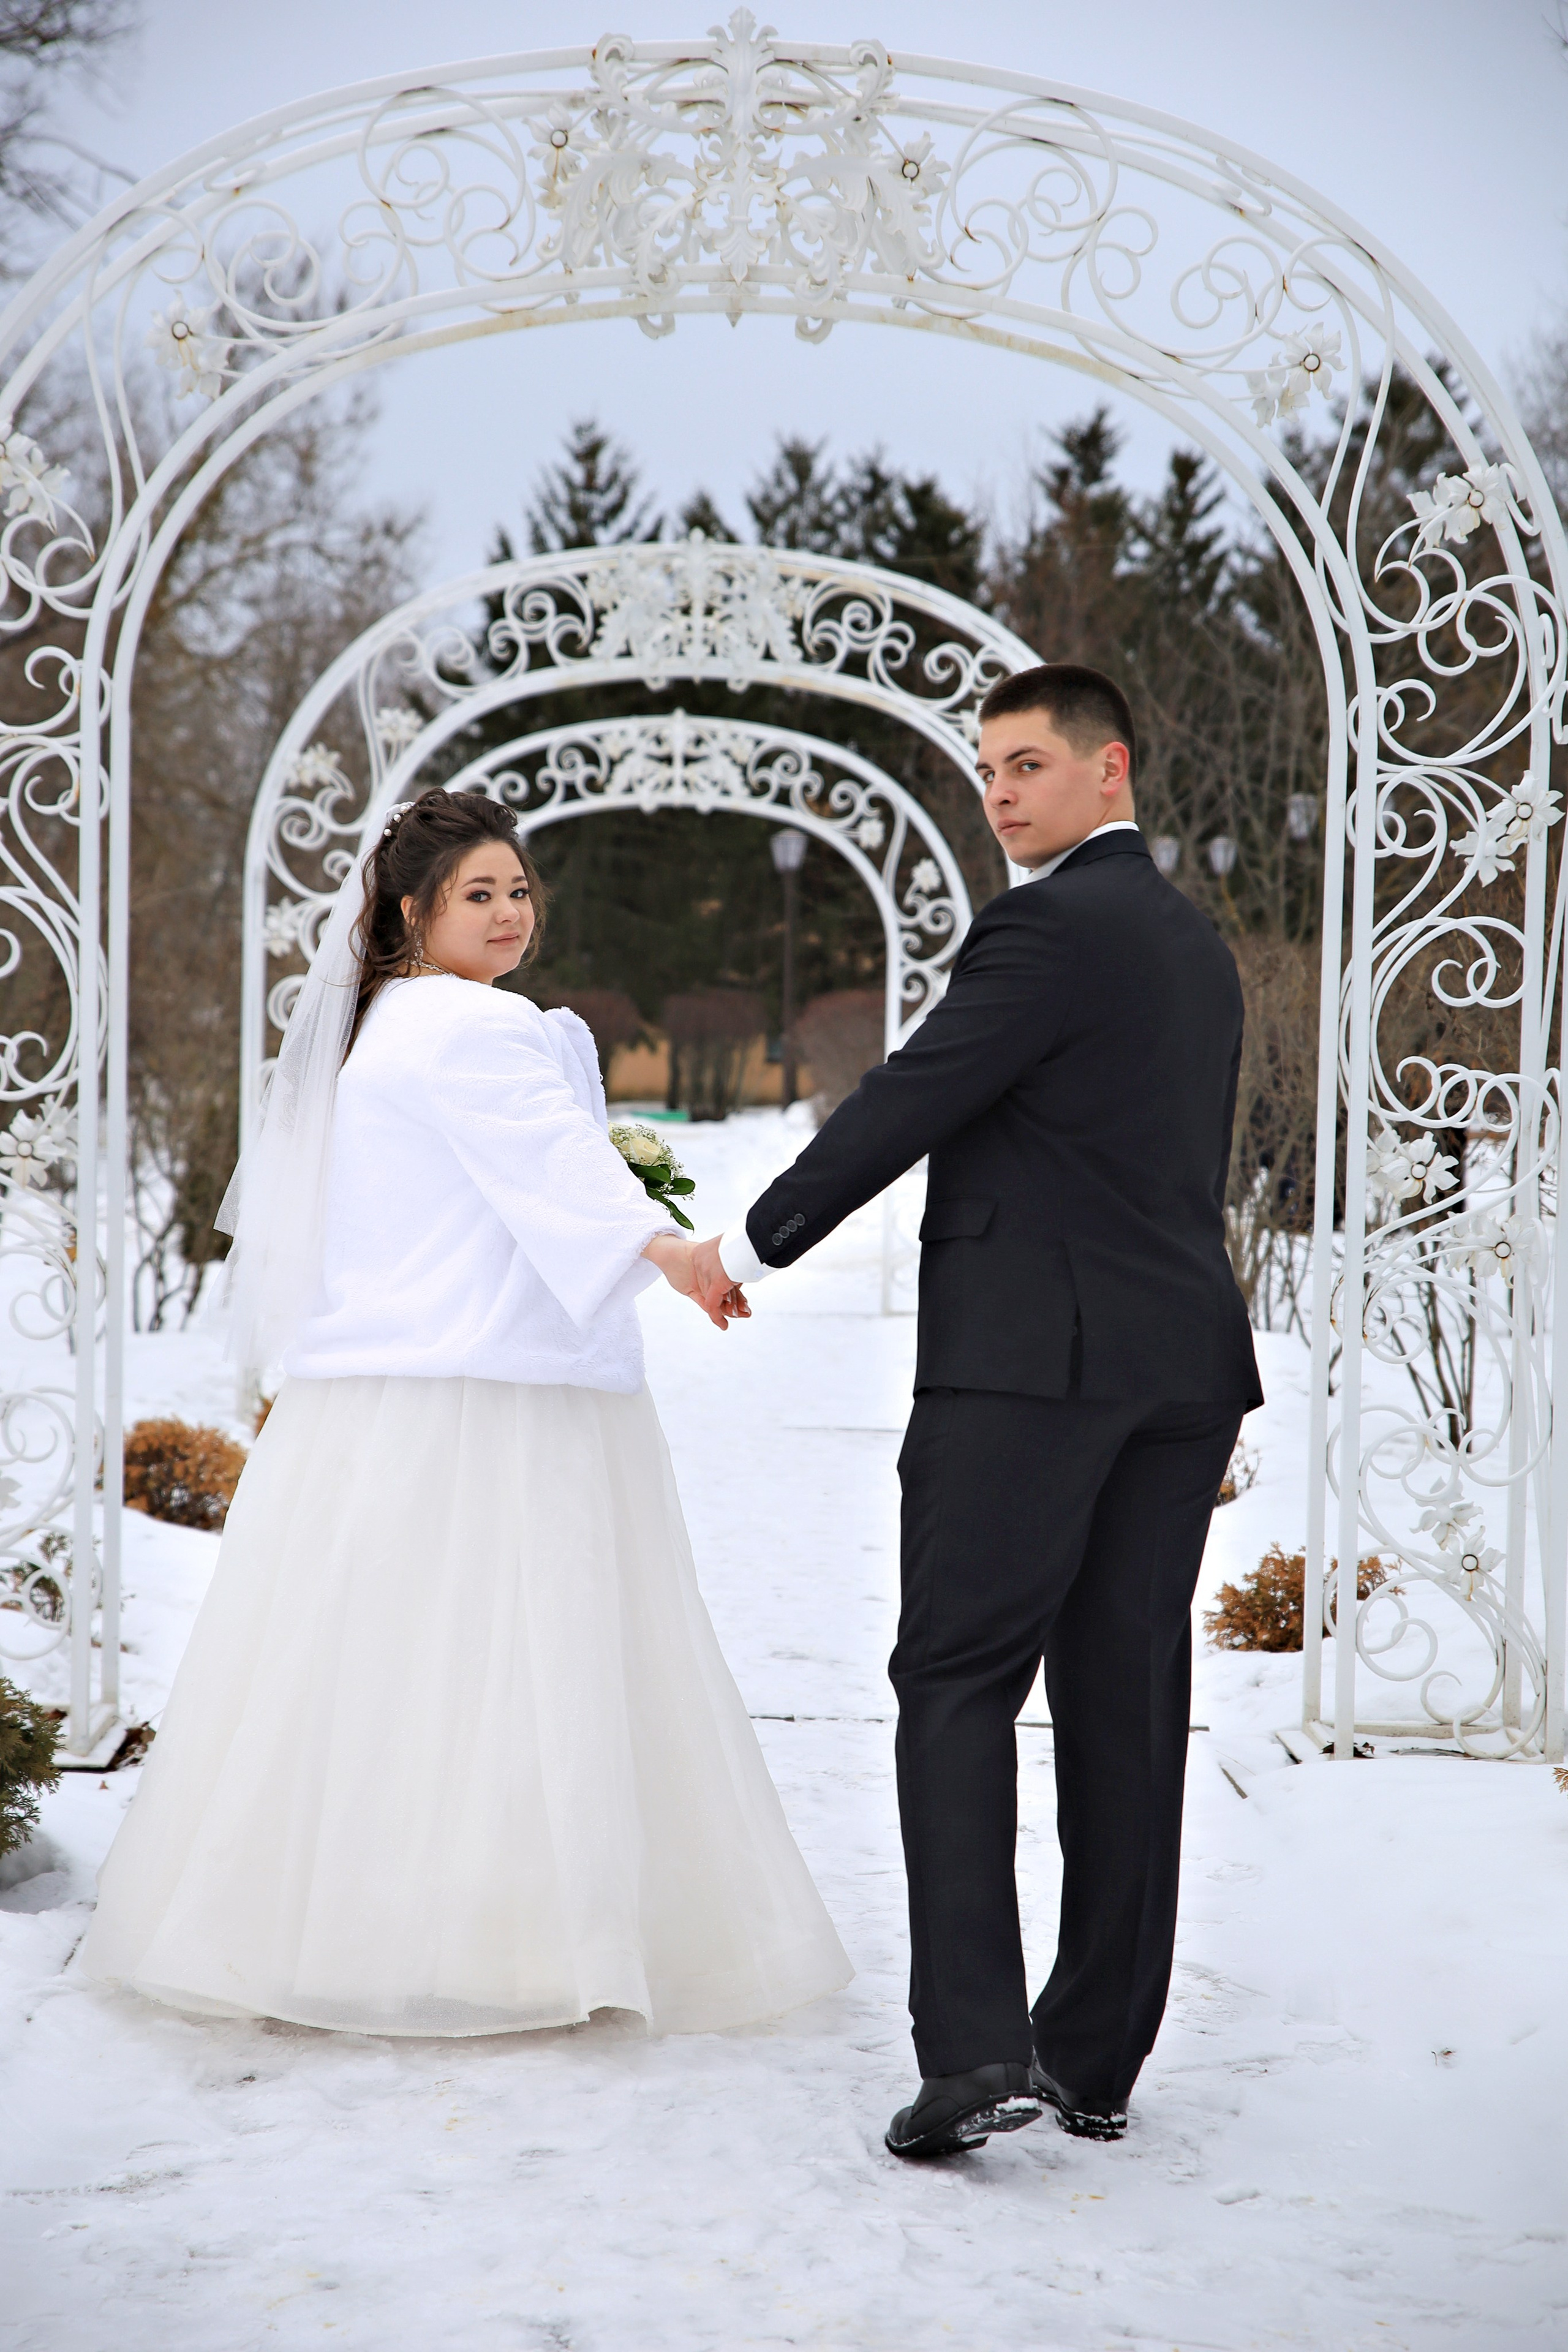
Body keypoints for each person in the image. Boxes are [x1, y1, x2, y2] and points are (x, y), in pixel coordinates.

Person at [77, 787, 851, 2039]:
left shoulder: (378, 1026)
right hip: (493, 1389)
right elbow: (551, 1164)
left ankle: (334, 1922)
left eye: (517, 891)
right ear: (409, 912)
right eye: (475, 895)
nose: (505, 914)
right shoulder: (475, 1033)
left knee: (376, 1665)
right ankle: (515, 1939)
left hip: (373, 1391)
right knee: (523, 1662)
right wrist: (669, 1249)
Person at [693, 663, 1261, 2157]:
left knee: (953, 1679)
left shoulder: (1046, 927)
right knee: (1124, 1702)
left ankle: (972, 2053)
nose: (999, 793)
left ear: (1109, 770)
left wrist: (746, 1245)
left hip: (1027, 1375)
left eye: (1025, 764)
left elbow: (910, 1097)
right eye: (987, 769)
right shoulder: (1194, 946)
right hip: (1179, 1368)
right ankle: (1093, 2059)